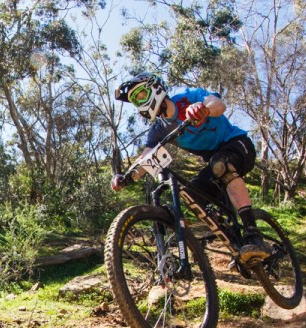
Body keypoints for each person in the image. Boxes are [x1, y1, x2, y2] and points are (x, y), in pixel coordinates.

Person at [110, 72, 267, 262]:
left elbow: (218, 105)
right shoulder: (159, 129)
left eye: (141, 95)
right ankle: (237, 243)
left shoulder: (188, 97)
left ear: (155, 88)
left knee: (221, 165)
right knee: (193, 194)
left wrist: (203, 109)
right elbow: (146, 158)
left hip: (238, 145)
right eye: (135, 101)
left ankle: (253, 234)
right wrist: (126, 177)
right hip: (213, 162)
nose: (140, 102)